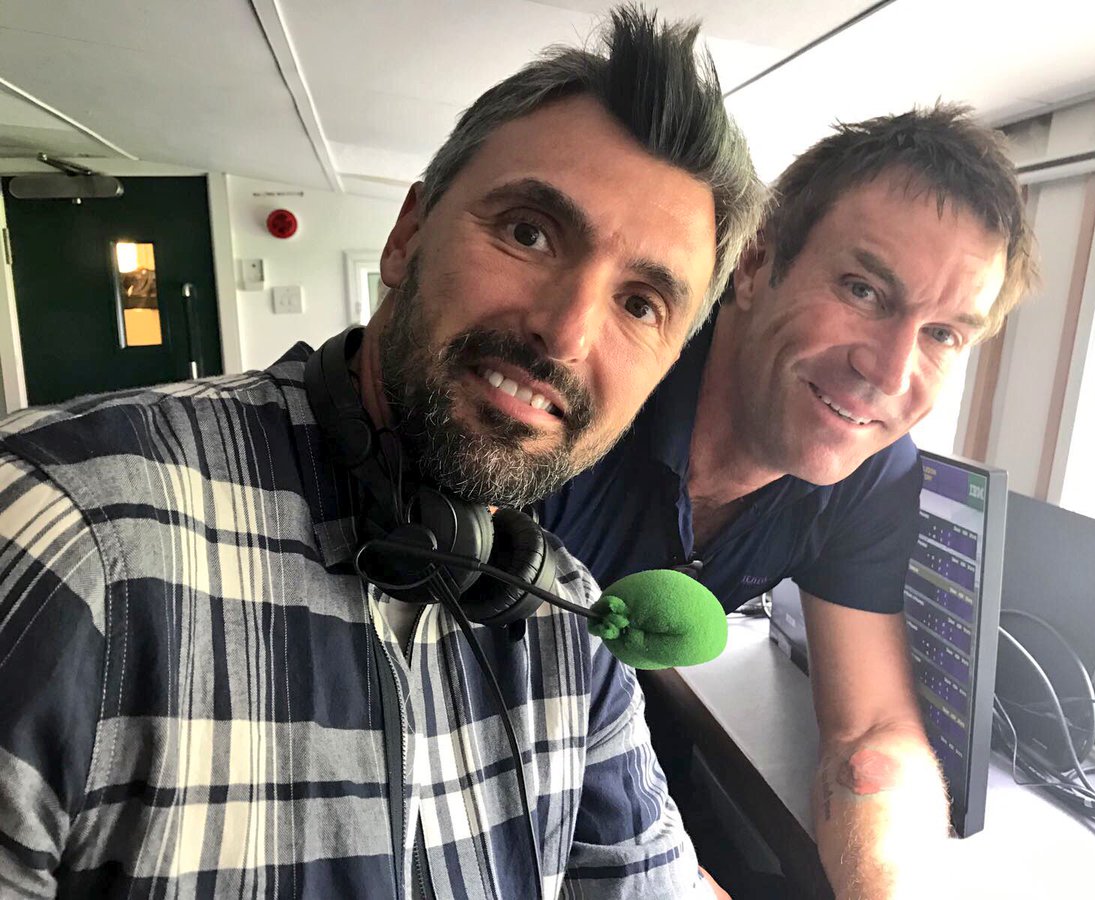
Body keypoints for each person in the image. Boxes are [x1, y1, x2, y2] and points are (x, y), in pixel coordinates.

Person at [0, 8, 764, 898]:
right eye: (529, 232)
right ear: (406, 236)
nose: (566, 333)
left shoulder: (568, 626)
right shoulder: (64, 530)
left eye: (640, 305)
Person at [540, 104, 1037, 899]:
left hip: (644, 761)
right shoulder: (591, 388)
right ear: (755, 260)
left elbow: (873, 734)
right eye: (864, 290)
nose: (889, 373)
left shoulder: (872, 473)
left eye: (944, 334)